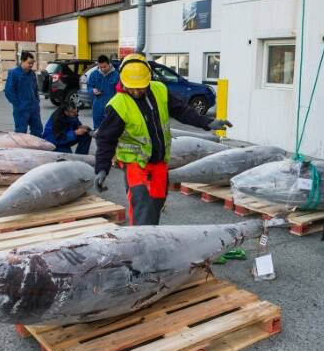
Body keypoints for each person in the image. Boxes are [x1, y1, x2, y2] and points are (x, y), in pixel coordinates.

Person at [93, 54, 232, 225]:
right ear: (123, 81)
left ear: (148, 79)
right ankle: (141, 245)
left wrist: (208, 122)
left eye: (141, 87)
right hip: (136, 165)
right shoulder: (118, 105)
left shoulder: (159, 90)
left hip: (159, 163)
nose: (136, 92)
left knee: (156, 204)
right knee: (143, 207)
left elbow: (181, 110)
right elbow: (106, 140)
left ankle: (153, 241)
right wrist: (102, 168)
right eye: (132, 88)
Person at [4, 51, 42, 136]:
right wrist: (18, 104)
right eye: (29, 63)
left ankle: (35, 148)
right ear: (22, 61)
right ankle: (22, 149)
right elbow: (8, 91)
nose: (31, 65)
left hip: (34, 108)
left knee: (37, 130)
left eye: (32, 63)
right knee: (21, 132)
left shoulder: (32, 74)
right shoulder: (14, 73)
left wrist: (36, 102)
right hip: (21, 109)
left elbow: (35, 89)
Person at [86, 55, 119, 130]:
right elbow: (89, 86)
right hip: (97, 106)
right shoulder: (94, 74)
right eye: (100, 67)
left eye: (105, 67)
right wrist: (92, 90)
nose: (103, 69)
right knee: (98, 130)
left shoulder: (116, 75)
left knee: (110, 129)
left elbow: (119, 92)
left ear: (109, 64)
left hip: (111, 107)